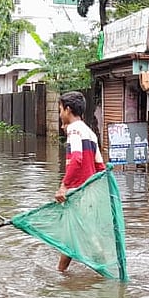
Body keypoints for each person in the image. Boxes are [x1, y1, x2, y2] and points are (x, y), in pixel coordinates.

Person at [55, 91, 106, 272]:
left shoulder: (75, 130)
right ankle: (61, 274)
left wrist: (64, 186)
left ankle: (105, 271)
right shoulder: (89, 132)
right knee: (71, 236)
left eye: (60, 109)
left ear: (68, 110)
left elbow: (76, 160)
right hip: (89, 193)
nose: (60, 113)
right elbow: (100, 167)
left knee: (87, 237)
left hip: (79, 194)